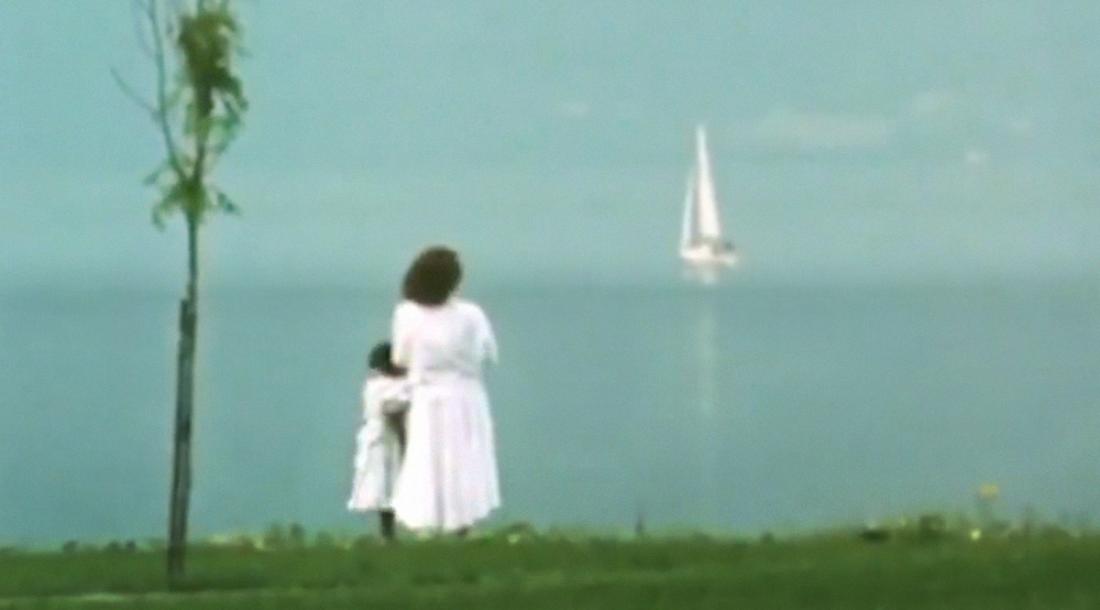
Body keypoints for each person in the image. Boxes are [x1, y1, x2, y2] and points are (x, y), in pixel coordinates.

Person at [389, 246, 500, 534]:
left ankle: (427, 522)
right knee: (465, 458)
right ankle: (464, 521)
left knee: (427, 458)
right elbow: (486, 353)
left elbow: (400, 357)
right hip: (466, 396)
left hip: (428, 396)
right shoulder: (471, 314)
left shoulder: (406, 314)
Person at [347, 341, 410, 541]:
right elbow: (393, 414)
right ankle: (388, 533)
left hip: (378, 436)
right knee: (387, 484)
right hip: (386, 439)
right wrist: (405, 439)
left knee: (386, 485)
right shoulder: (390, 387)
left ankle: (388, 533)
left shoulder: (373, 385)